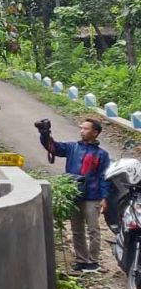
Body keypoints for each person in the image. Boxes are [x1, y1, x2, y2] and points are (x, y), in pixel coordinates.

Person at [39, 117, 111, 273]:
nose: (82, 131)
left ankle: (93, 261)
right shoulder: (72, 148)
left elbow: (105, 177)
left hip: (92, 197)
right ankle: (81, 260)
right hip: (74, 195)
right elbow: (54, 148)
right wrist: (44, 134)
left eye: (86, 128)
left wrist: (105, 198)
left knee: (93, 230)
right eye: (81, 128)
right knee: (77, 229)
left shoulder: (102, 155)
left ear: (95, 133)